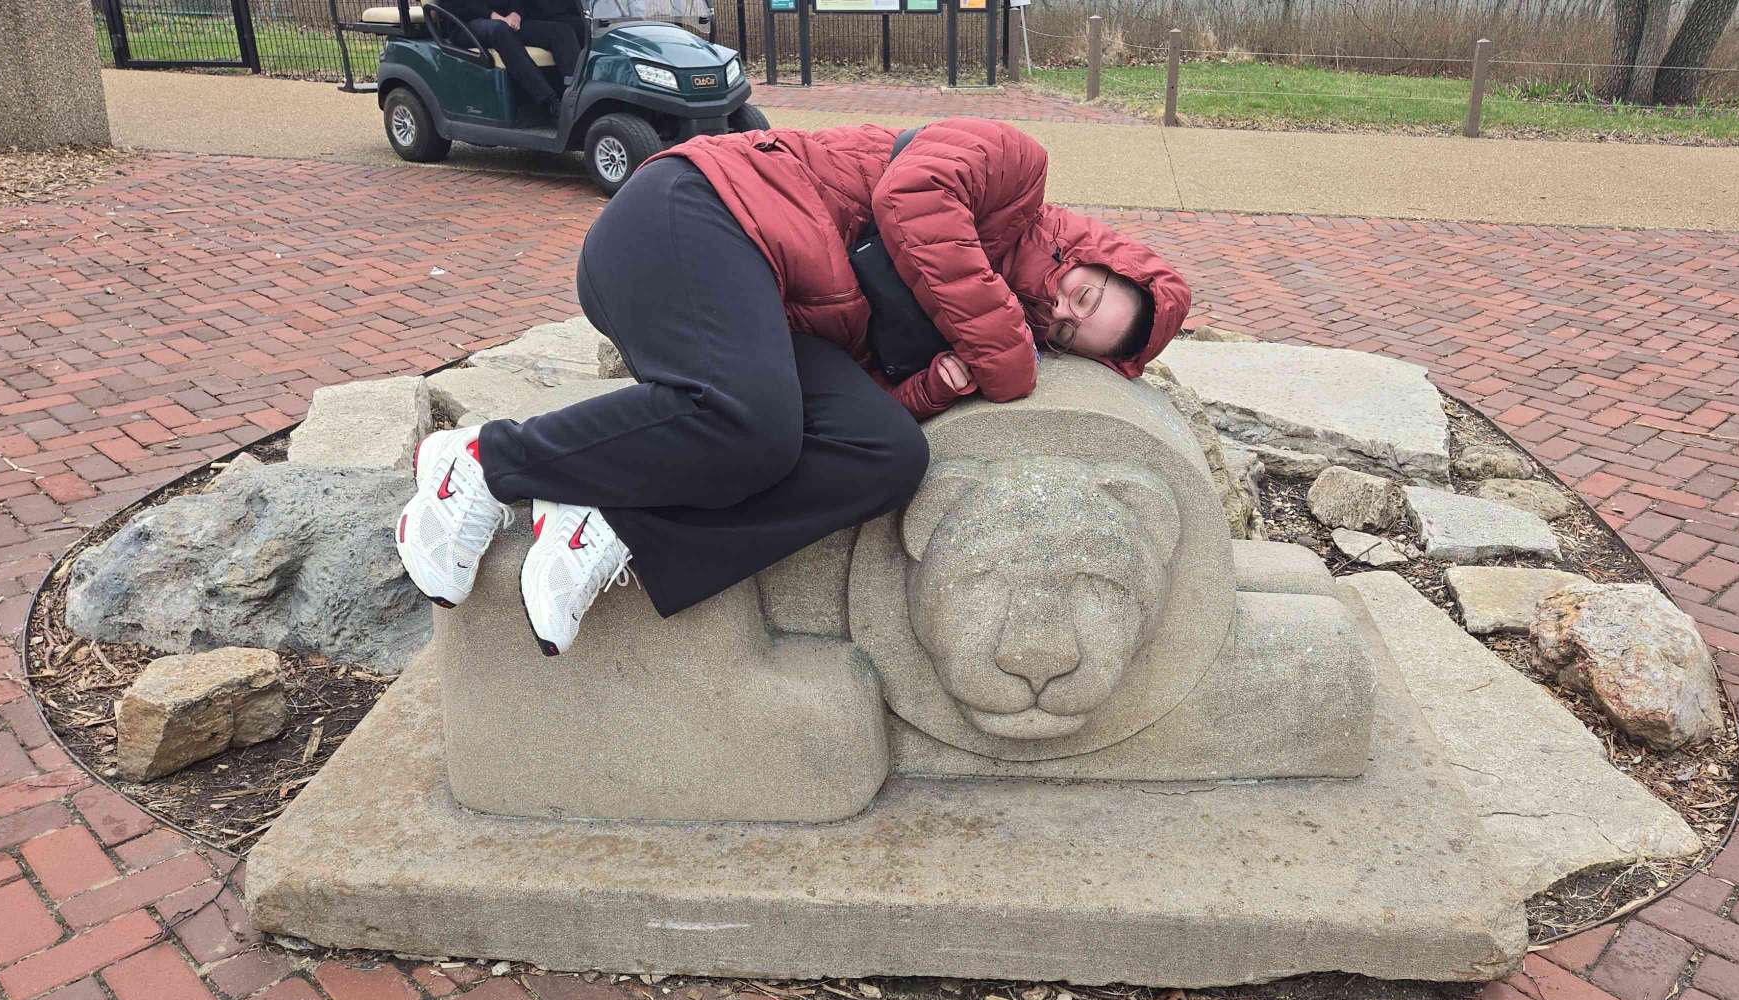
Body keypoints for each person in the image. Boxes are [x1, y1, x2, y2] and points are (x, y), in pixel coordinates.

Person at [395, 118, 1190, 655]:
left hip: (757, 319)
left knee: (886, 460)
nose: (1055, 308)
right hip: (696, 210)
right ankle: (484, 461)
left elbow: (856, 399)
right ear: (1097, 254)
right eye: (1082, 294)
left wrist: (935, 389)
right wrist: (1012, 356)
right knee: (753, 423)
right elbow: (910, 202)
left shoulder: (973, 326)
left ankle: (615, 519)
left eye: (1064, 333)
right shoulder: (1012, 167)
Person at [430, 0, 581, 116]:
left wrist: (516, 13)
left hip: (506, 21)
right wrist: (493, 15)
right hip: (466, 23)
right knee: (499, 30)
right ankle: (549, 100)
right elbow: (458, 5)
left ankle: (575, 96)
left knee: (561, 31)